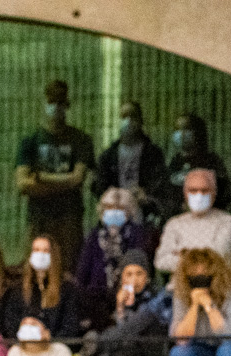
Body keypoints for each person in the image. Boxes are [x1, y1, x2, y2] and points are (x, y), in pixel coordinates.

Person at [15, 80, 94, 266]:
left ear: (67, 105)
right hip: (38, 218)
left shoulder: (81, 140)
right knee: (36, 266)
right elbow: (22, 184)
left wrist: (40, 178)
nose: (55, 107)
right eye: (51, 102)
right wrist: (64, 182)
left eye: (59, 102)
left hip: (69, 218)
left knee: (69, 266)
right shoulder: (30, 142)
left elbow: (78, 179)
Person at [78, 250, 173, 356]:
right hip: (127, 350)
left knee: (101, 348)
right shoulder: (113, 299)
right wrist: (120, 308)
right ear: (122, 278)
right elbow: (122, 333)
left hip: (153, 349)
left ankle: (97, 345)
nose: (134, 279)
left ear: (147, 277)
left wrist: (99, 342)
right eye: (129, 274)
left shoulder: (158, 298)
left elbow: (132, 329)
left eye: (139, 273)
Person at [75, 188, 153, 331]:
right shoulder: (95, 235)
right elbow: (83, 271)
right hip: (96, 297)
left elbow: (140, 266)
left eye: (120, 208)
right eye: (110, 208)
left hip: (129, 294)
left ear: (129, 211)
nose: (114, 211)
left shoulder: (137, 234)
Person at [91, 101, 168, 217]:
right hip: (115, 211)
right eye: (124, 117)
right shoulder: (108, 155)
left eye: (132, 116)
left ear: (140, 120)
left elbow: (160, 182)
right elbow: (99, 185)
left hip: (144, 211)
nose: (128, 121)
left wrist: (147, 194)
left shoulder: (153, 153)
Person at [154, 169, 231, 275]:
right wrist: (204, 254)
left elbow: (218, 257)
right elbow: (161, 261)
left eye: (204, 190)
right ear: (185, 194)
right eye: (193, 190)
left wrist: (182, 254)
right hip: (178, 288)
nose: (199, 195)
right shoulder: (174, 224)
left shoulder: (226, 221)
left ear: (214, 193)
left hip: (216, 288)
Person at [163, 113, 231, 216]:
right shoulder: (175, 162)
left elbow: (223, 192)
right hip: (178, 218)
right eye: (178, 129)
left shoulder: (211, 161)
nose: (181, 134)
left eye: (186, 129)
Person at [17, 237, 83, 338]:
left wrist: (49, 337)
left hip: (55, 347)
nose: (40, 255)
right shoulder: (18, 289)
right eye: (36, 250)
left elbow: (71, 326)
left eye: (46, 251)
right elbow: (11, 324)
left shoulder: (67, 289)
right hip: (23, 347)